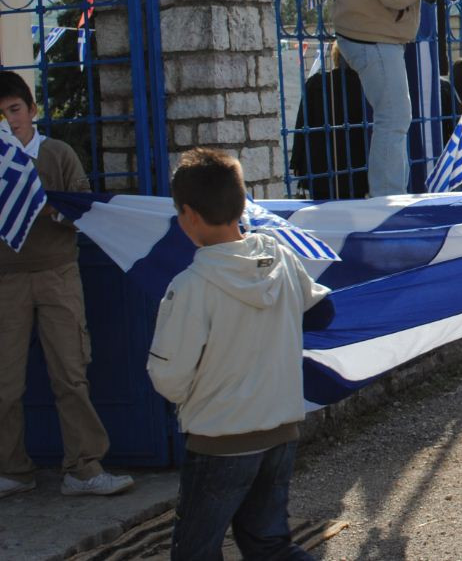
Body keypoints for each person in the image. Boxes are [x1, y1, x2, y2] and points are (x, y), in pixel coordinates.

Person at [147, 148, 332, 559]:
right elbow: (321, 310)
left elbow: (169, 376)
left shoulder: (191, 286)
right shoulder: (281, 257)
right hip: (280, 428)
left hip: (220, 439)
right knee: (267, 543)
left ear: (189, 216)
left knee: (196, 550)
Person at [0, 73, 133, 500]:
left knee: (70, 373)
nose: (9, 120)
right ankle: (12, 468)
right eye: (0, 114)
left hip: (58, 274)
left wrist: (52, 210)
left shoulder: (57, 153)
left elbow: (82, 205)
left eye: (14, 109)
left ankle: (83, 466)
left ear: (32, 109)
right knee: (4, 380)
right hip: (6, 279)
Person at [332, 0, 451, 197]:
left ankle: (387, 195)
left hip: (359, 32)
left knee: (391, 118)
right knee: (394, 118)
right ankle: (388, 198)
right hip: (376, 36)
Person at [289, 42, 369, 200]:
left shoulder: (316, 83)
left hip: (320, 171)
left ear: (335, 58)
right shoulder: (366, 85)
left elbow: (302, 126)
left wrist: (297, 164)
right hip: (356, 169)